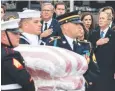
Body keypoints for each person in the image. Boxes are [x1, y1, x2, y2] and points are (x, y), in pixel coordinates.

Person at [47, 11, 100, 91]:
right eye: (76, 24)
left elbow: (94, 70)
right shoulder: (54, 44)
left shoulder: (86, 45)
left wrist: (85, 83)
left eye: (80, 24)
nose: (80, 27)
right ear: (65, 27)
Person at [1, 19, 35, 91]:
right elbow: (25, 80)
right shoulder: (9, 55)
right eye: (15, 33)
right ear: (4, 36)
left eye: (19, 33)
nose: (19, 36)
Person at [89, 11, 115, 91]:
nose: (100, 20)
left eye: (103, 18)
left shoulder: (113, 34)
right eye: (99, 18)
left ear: (109, 21)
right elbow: (87, 49)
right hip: (94, 71)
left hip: (109, 71)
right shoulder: (93, 33)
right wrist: (96, 44)